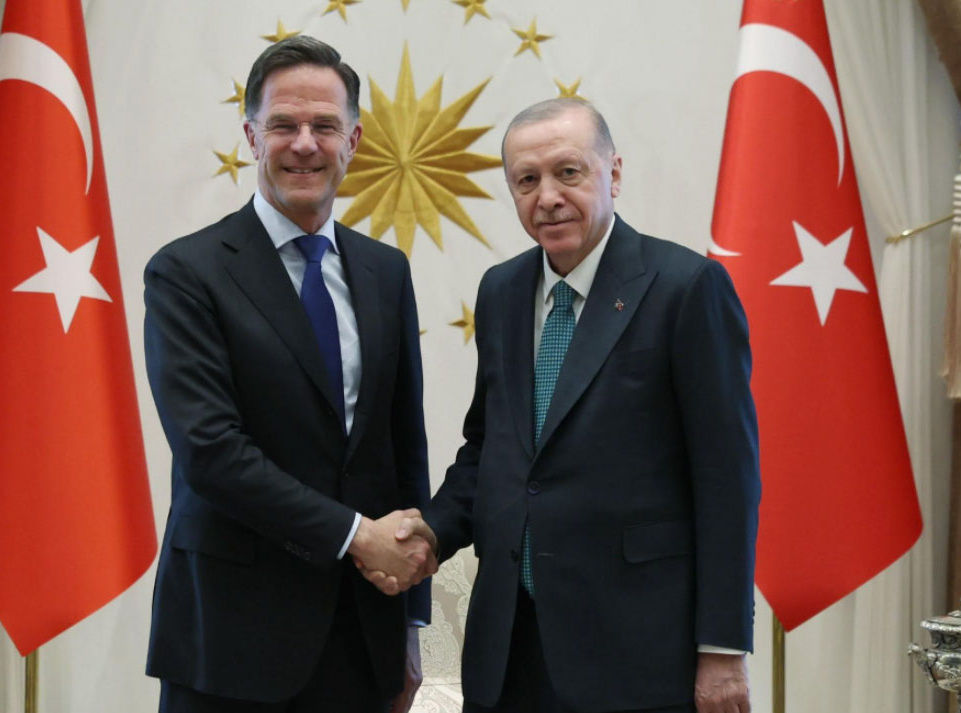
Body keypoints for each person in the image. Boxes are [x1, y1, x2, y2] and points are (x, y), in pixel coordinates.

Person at [390, 98, 761, 713]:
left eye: (568, 172)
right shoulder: (501, 291)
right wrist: (430, 532)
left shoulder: (687, 288)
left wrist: (722, 647)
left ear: (612, 173)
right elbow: (491, 449)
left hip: (637, 655)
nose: (548, 198)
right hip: (510, 649)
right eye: (526, 181)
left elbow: (728, 478)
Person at [143, 35, 436, 713]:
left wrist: (411, 624)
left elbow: (402, 452)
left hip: (363, 638)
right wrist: (356, 534)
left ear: (352, 141)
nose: (304, 144)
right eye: (283, 124)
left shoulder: (385, 272)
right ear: (252, 136)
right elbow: (211, 452)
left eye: (324, 126)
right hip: (230, 642)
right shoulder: (187, 273)